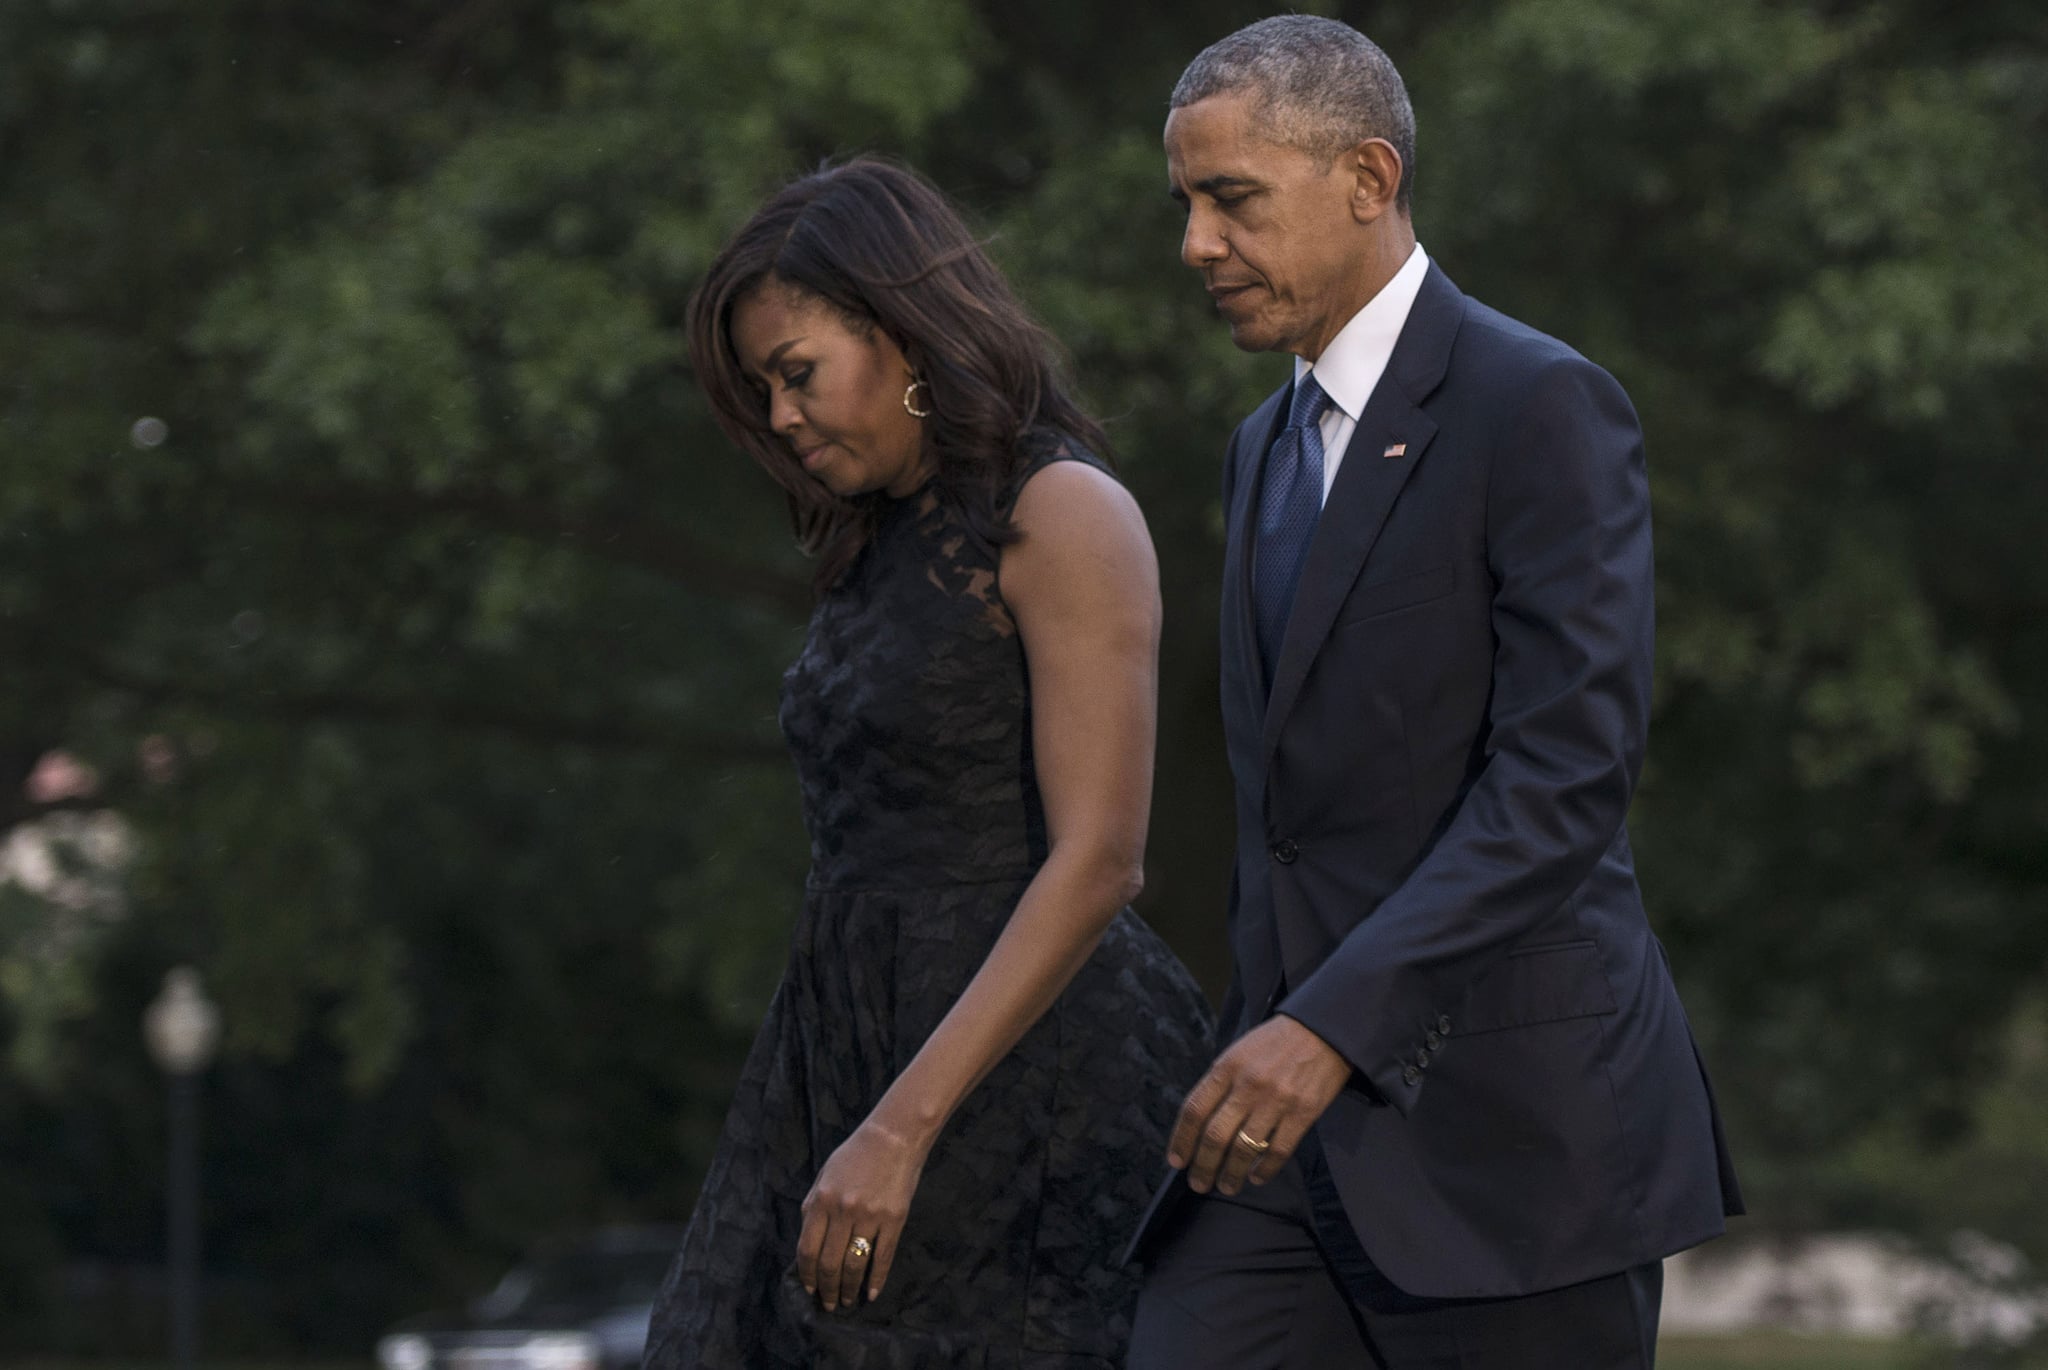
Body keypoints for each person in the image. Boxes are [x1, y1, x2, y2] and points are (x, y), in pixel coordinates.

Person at [1127, 17, 1743, 1370]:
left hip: (1514, 1146)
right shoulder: (1257, 447)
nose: (1197, 247)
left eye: (1232, 199)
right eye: (1187, 205)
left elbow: (1566, 778)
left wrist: (1331, 1025)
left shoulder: (1542, 404)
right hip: (1279, 1145)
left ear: (1367, 175)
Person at [643, 157, 1215, 1369]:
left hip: (1021, 1074)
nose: (782, 418)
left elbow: (1103, 858)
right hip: (840, 1040)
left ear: (903, 331)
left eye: (796, 374)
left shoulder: (1061, 510)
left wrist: (898, 1129)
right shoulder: (875, 541)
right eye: (763, 392)